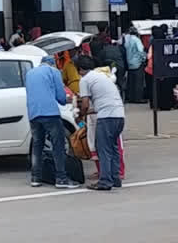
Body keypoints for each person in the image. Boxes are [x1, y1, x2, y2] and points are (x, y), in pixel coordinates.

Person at [25, 56, 80, 189]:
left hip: (33, 113)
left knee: (38, 145)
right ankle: (61, 178)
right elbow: (60, 97)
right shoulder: (53, 72)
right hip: (49, 113)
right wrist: (68, 99)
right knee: (58, 145)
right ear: (53, 64)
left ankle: (35, 178)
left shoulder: (30, 73)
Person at [75, 54, 125, 191]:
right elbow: (99, 105)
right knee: (113, 148)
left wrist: (80, 116)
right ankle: (115, 178)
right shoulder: (102, 77)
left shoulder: (85, 80)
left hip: (106, 117)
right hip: (119, 115)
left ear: (79, 69)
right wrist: (87, 113)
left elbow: (84, 104)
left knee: (103, 149)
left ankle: (105, 181)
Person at [123, 26, 147, 103]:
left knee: (131, 82)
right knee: (138, 82)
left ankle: (131, 97)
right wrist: (144, 58)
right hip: (137, 63)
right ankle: (138, 98)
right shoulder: (137, 40)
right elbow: (140, 50)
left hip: (129, 63)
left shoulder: (127, 40)